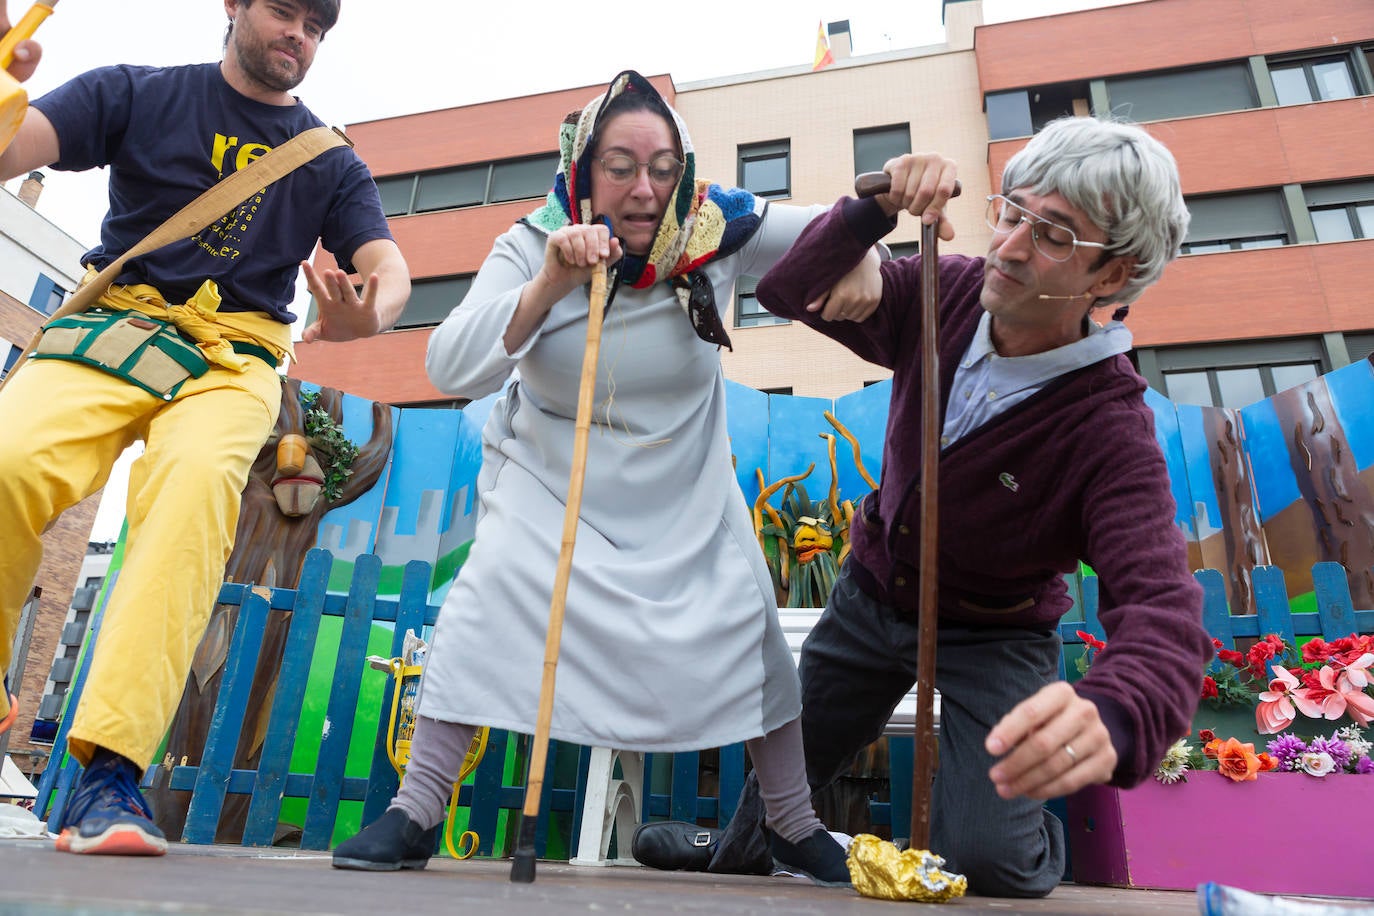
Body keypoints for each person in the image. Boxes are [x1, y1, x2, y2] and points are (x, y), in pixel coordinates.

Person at [641, 116, 1214, 896]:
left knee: (988, 860)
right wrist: (873, 210)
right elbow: (788, 288)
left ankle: (1000, 836)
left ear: (1114, 275)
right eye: (1011, 211)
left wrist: (1117, 712)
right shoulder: (945, 292)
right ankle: (737, 843)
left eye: (1052, 235)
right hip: (873, 596)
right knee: (776, 806)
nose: (1010, 246)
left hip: (997, 633)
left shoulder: (1109, 427)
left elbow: (1162, 609)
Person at [331, 70, 876, 885]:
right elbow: (450, 366)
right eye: (619, 166)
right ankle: (418, 806)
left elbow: (828, 234)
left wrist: (870, 232)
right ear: (584, 171)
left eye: (661, 167)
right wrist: (551, 277)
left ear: (684, 172)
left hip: (685, 483)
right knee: (486, 597)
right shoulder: (531, 239)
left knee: (749, 619)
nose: (644, 187)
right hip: (554, 485)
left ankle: (792, 822)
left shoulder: (717, 228)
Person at [0, 0, 410, 856]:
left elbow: (386, 269)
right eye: (283, 11)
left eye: (317, 24)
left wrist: (367, 316)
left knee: (192, 503)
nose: (299, 33)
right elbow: (13, 150)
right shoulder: (136, 92)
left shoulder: (330, 161)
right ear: (233, 7)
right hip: (115, 321)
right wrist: (4, 85)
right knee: (8, 458)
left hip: (234, 356)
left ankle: (108, 778)